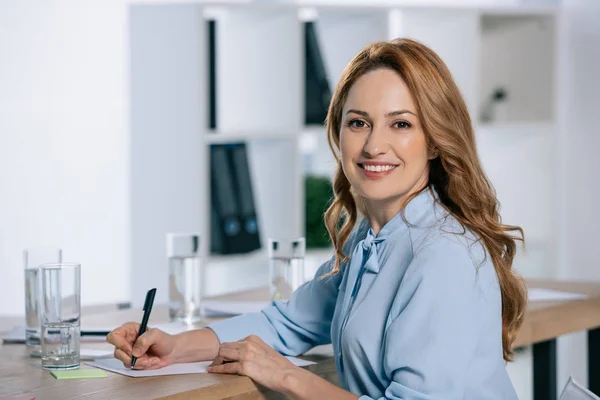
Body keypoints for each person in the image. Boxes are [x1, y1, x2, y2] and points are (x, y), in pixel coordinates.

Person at [107, 38, 527, 399]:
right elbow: (290, 320)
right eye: (358, 123)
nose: (374, 145)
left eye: (400, 124)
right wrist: (174, 346)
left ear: (435, 142)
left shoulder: (443, 255)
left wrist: (285, 375)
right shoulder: (374, 235)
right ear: (338, 132)